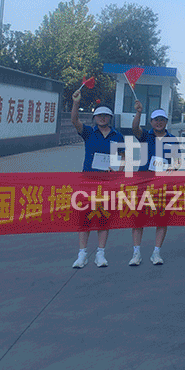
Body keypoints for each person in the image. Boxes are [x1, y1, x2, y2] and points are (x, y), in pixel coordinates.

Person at [71, 91, 124, 269]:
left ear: (110, 117)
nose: (102, 118)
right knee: (84, 218)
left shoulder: (117, 136)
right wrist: (76, 103)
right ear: (94, 117)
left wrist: (118, 171)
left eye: (105, 115)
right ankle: (82, 254)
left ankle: (100, 253)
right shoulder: (88, 132)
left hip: (107, 183)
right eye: (99, 115)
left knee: (103, 217)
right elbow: (74, 120)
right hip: (88, 181)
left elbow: (123, 157)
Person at [129, 102, 178, 266]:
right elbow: (134, 128)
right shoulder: (145, 136)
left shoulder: (172, 140)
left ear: (166, 122)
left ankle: (156, 253)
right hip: (143, 182)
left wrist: (173, 168)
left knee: (161, 219)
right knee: (139, 218)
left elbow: (177, 162)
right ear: (151, 122)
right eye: (156, 120)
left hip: (163, 184)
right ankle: (136, 253)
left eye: (162, 120)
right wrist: (138, 113)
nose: (159, 122)